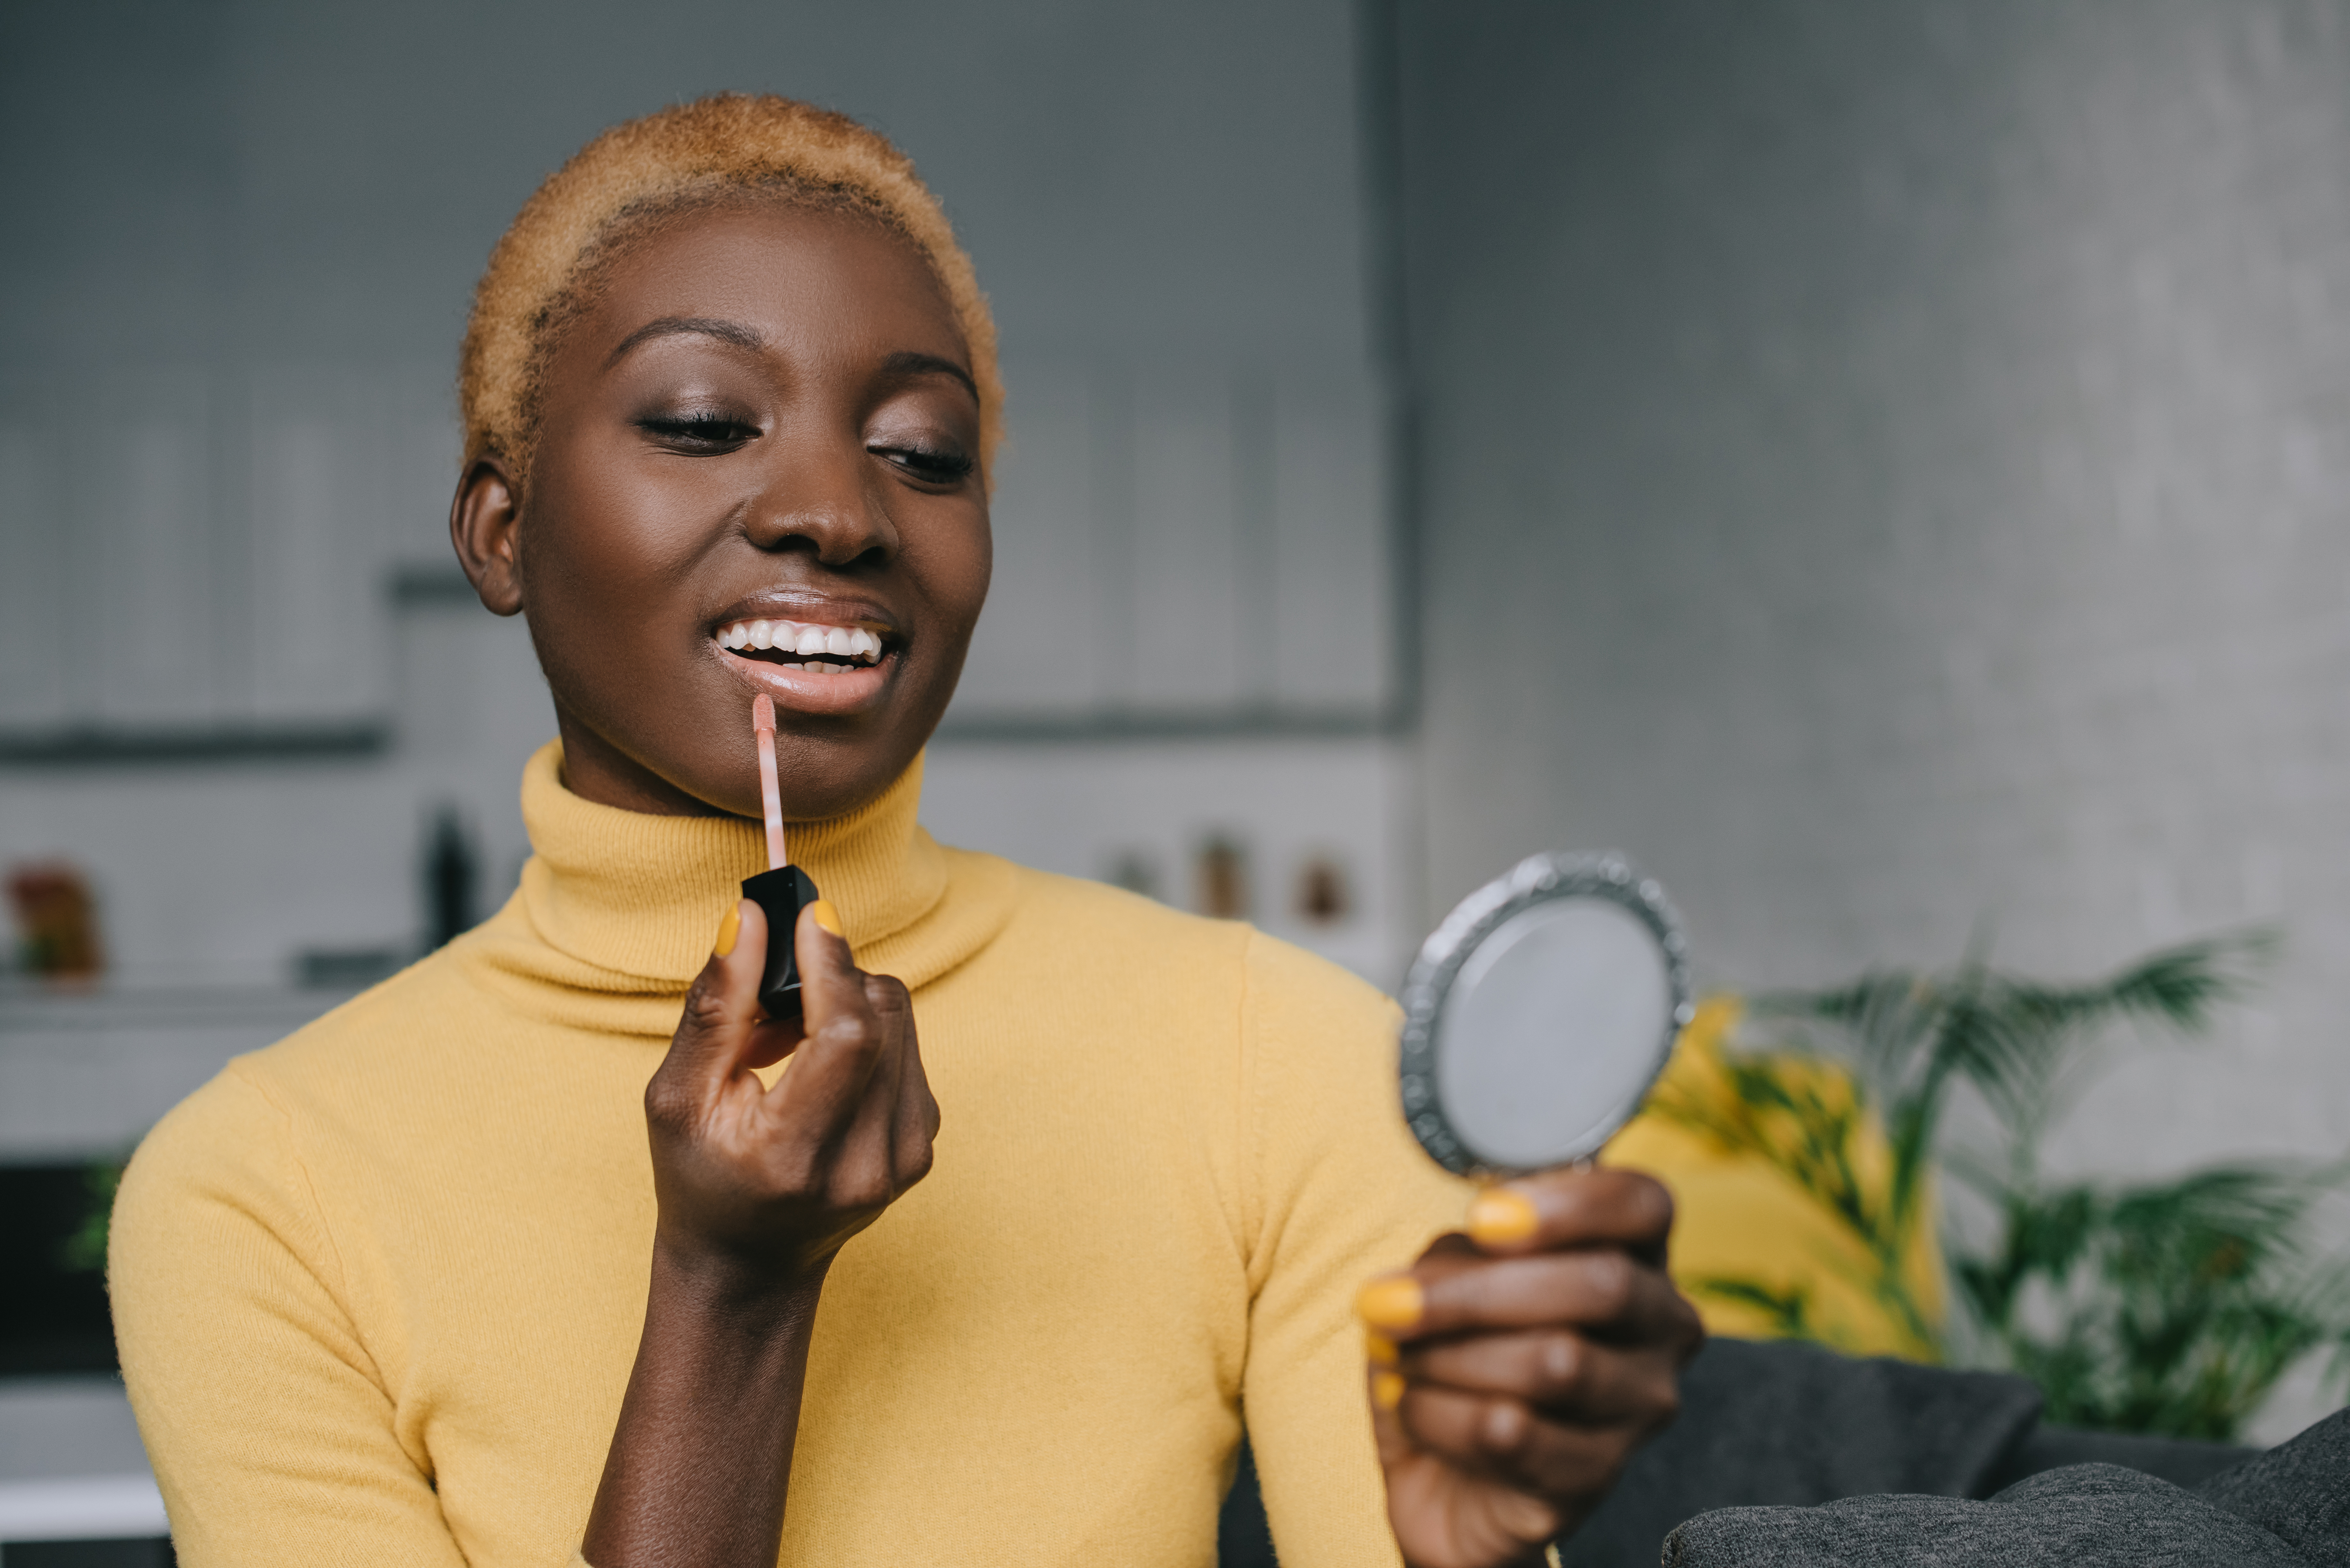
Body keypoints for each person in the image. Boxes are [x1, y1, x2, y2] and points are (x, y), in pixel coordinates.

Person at [109, 94, 1703, 1568]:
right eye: (702, 420)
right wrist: (726, 1300)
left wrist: (1467, 1554)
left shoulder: (1273, 1057)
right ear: (502, 530)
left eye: (921, 452)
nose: (840, 511)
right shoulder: (252, 1198)